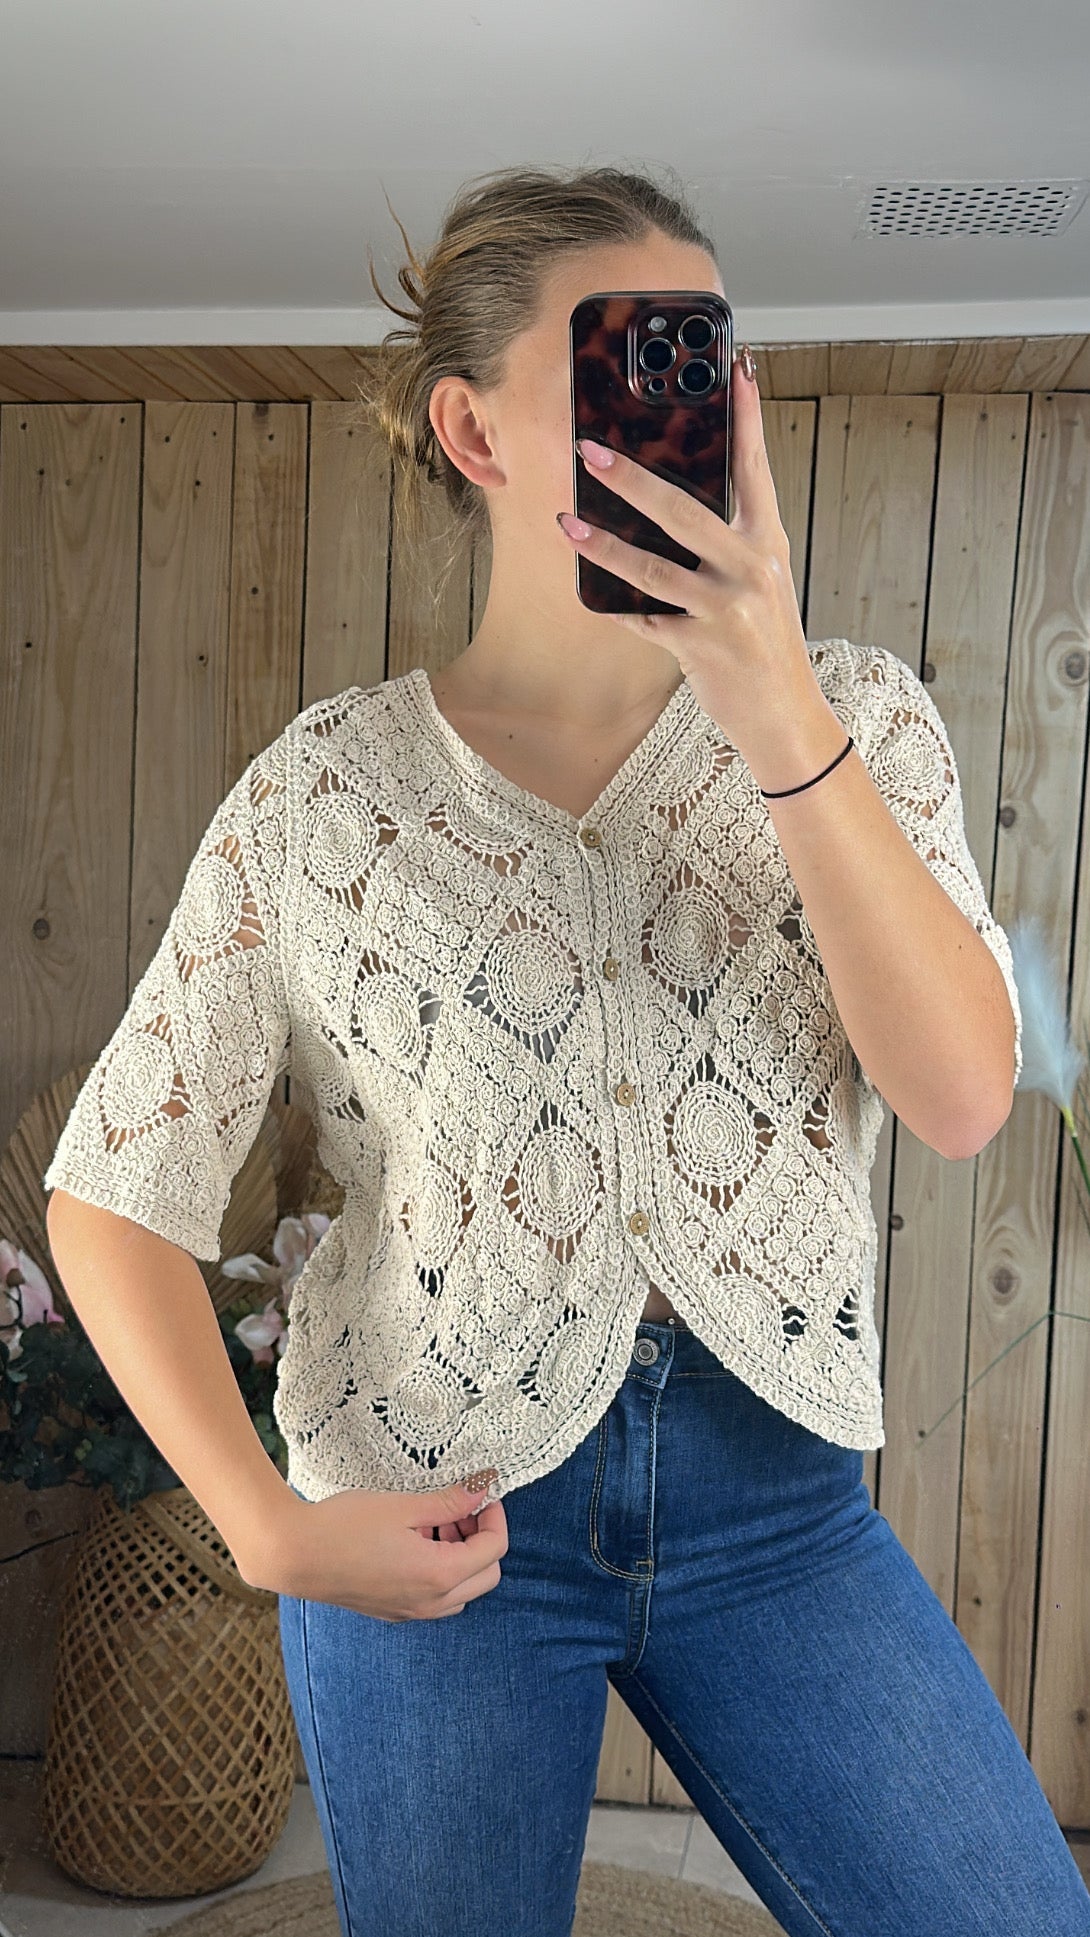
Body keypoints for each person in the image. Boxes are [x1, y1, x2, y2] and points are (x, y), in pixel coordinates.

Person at [42, 163, 1087, 1937]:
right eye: (633, 351)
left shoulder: (857, 715)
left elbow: (963, 1096)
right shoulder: (326, 794)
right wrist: (264, 1523)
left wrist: (770, 696)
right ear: (473, 428)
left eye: (711, 354)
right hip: (434, 1508)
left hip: (777, 1512)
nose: (693, 395)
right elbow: (110, 1187)